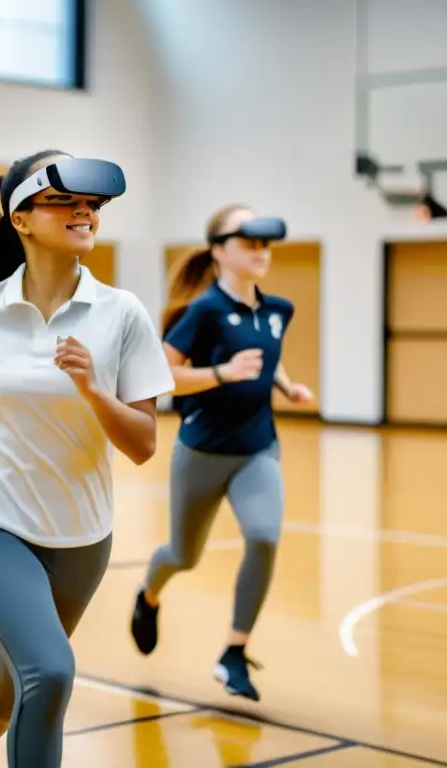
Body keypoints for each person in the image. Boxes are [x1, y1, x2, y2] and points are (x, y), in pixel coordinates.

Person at [0, 151, 175, 768]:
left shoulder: (122, 314)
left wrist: (94, 390)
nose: (84, 210)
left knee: (6, 690)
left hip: (84, 542)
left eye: (93, 203)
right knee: (50, 673)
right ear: (21, 219)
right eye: (65, 199)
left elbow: (142, 444)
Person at [129, 204, 314, 702]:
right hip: (202, 451)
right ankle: (148, 594)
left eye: (264, 243)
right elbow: (160, 375)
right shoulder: (203, 312)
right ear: (218, 251)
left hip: (258, 449)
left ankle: (234, 651)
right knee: (183, 555)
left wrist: (286, 384)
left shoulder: (279, 311)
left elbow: (265, 357)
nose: (260, 251)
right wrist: (219, 374)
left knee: (264, 536)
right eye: (248, 241)